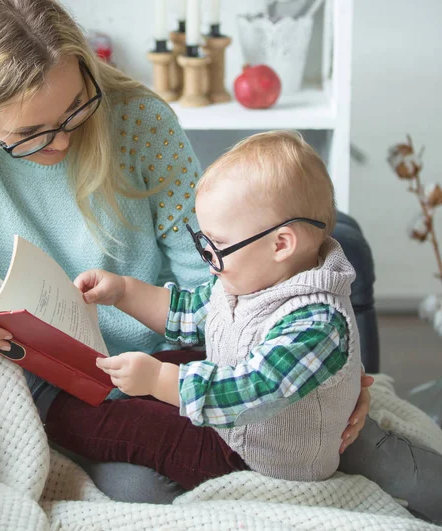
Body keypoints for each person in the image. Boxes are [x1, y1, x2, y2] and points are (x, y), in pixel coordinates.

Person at [0, 0, 384, 504]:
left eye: (75, 110)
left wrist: (325, 385)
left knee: (155, 488)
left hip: (179, 364)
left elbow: (221, 284)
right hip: (54, 384)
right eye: (31, 134)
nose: (61, 142)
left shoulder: (138, 123)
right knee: (141, 491)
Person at [67, 130, 362, 483]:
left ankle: (55, 415)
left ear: (281, 245)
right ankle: (89, 392)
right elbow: (189, 312)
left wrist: (157, 380)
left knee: (132, 424)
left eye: (218, 245)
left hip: (255, 459)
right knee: (128, 378)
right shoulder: (246, 279)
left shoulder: (318, 323)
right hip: (225, 412)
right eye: (204, 242)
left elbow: (255, 389)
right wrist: (123, 292)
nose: (208, 256)